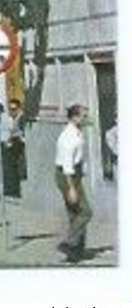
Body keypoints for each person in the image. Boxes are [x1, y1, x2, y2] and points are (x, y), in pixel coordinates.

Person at [55, 104, 93, 263]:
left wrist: (81, 172)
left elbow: (78, 158)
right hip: (67, 175)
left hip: (73, 174)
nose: (86, 118)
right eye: (84, 116)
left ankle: (75, 253)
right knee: (85, 212)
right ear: (75, 117)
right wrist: (71, 188)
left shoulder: (77, 132)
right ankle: (68, 243)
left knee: (75, 214)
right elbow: (67, 165)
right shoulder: (68, 137)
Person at [0, 97, 27, 198]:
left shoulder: (22, 119)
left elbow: (24, 134)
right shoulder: (14, 119)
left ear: (19, 109)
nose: (11, 112)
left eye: (14, 109)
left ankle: (15, 191)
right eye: (10, 109)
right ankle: (12, 190)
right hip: (16, 146)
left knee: (18, 170)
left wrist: (15, 137)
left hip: (21, 148)